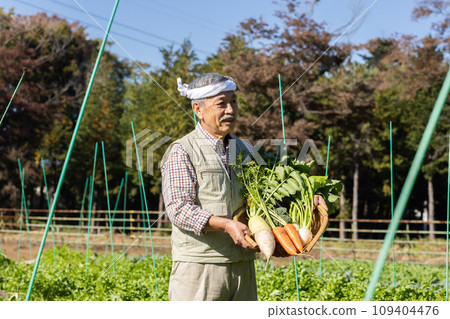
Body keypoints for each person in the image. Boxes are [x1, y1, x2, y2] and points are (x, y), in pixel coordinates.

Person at [161, 72, 327, 301]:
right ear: (198, 109)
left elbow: (270, 195)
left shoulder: (246, 149)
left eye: (233, 101)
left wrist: (307, 198)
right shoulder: (183, 150)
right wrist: (227, 225)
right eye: (222, 103)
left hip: (243, 263)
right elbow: (179, 209)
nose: (231, 110)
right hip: (200, 265)